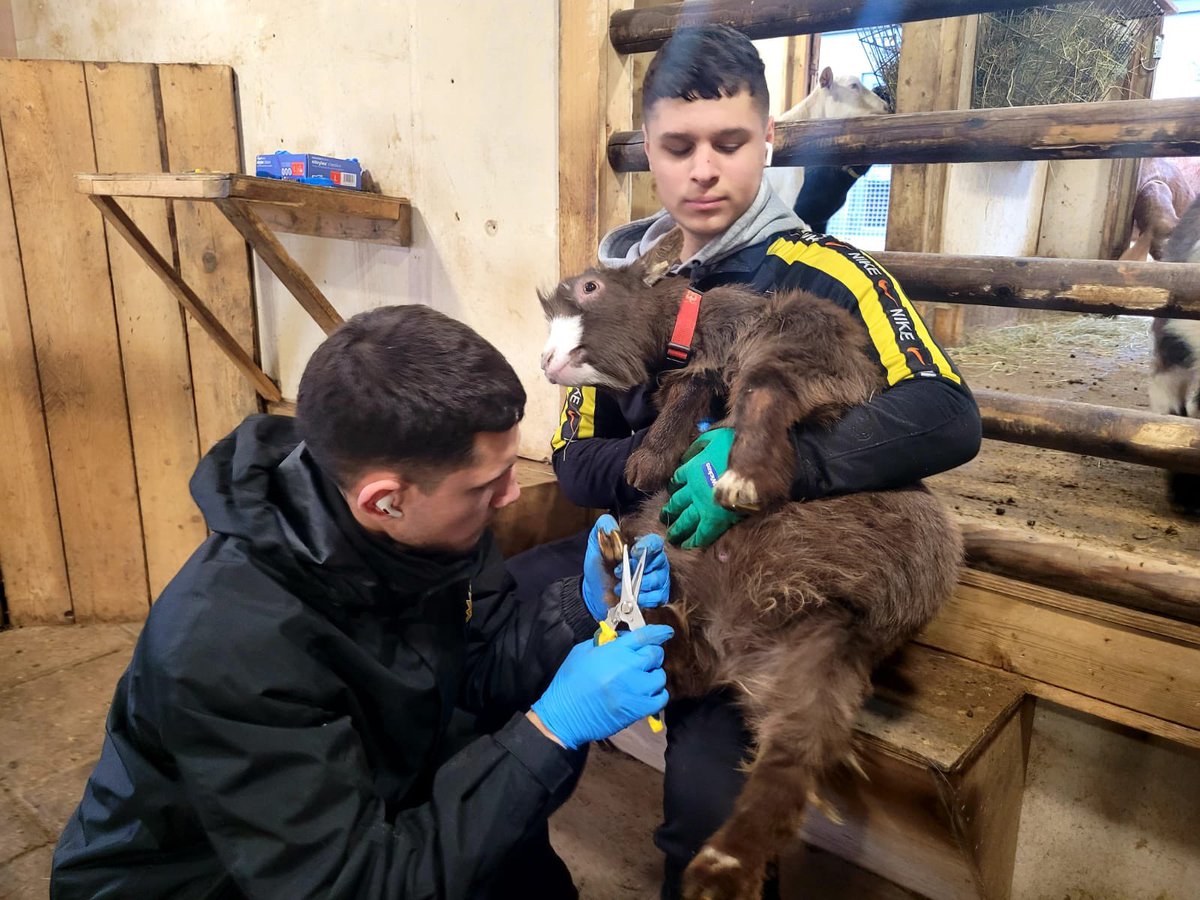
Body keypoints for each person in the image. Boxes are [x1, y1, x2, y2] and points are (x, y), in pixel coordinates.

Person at [507, 23, 982, 898]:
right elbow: (576, 462)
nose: (703, 170)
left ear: (769, 138)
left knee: (699, 808)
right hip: (657, 566)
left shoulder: (829, 269)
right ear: (648, 147)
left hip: (777, 579)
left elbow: (945, 416)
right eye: (679, 147)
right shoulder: (612, 281)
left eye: (729, 143)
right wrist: (674, 459)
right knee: (490, 623)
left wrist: (782, 457)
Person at [50, 304, 674, 900]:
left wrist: (577, 610)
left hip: (385, 791)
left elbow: (474, 669)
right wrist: (550, 731)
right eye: (487, 484)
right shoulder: (229, 646)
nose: (512, 495)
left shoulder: (433, 527)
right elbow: (355, 885)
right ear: (385, 500)